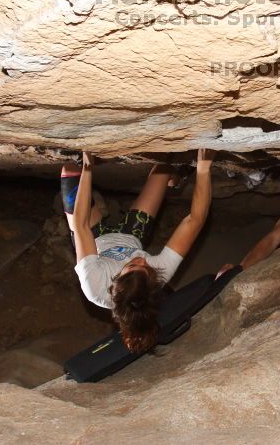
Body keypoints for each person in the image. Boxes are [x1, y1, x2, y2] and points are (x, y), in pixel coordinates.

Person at [62, 149, 215, 354]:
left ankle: (167, 178)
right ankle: (173, 178)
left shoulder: (94, 285)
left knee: (71, 170)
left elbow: (80, 226)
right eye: (146, 269)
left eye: (133, 265)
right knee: (162, 164)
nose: (141, 261)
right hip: (132, 235)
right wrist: (204, 169)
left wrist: (88, 167)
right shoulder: (159, 276)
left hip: (93, 239)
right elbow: (194, 221)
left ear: (114, 282)